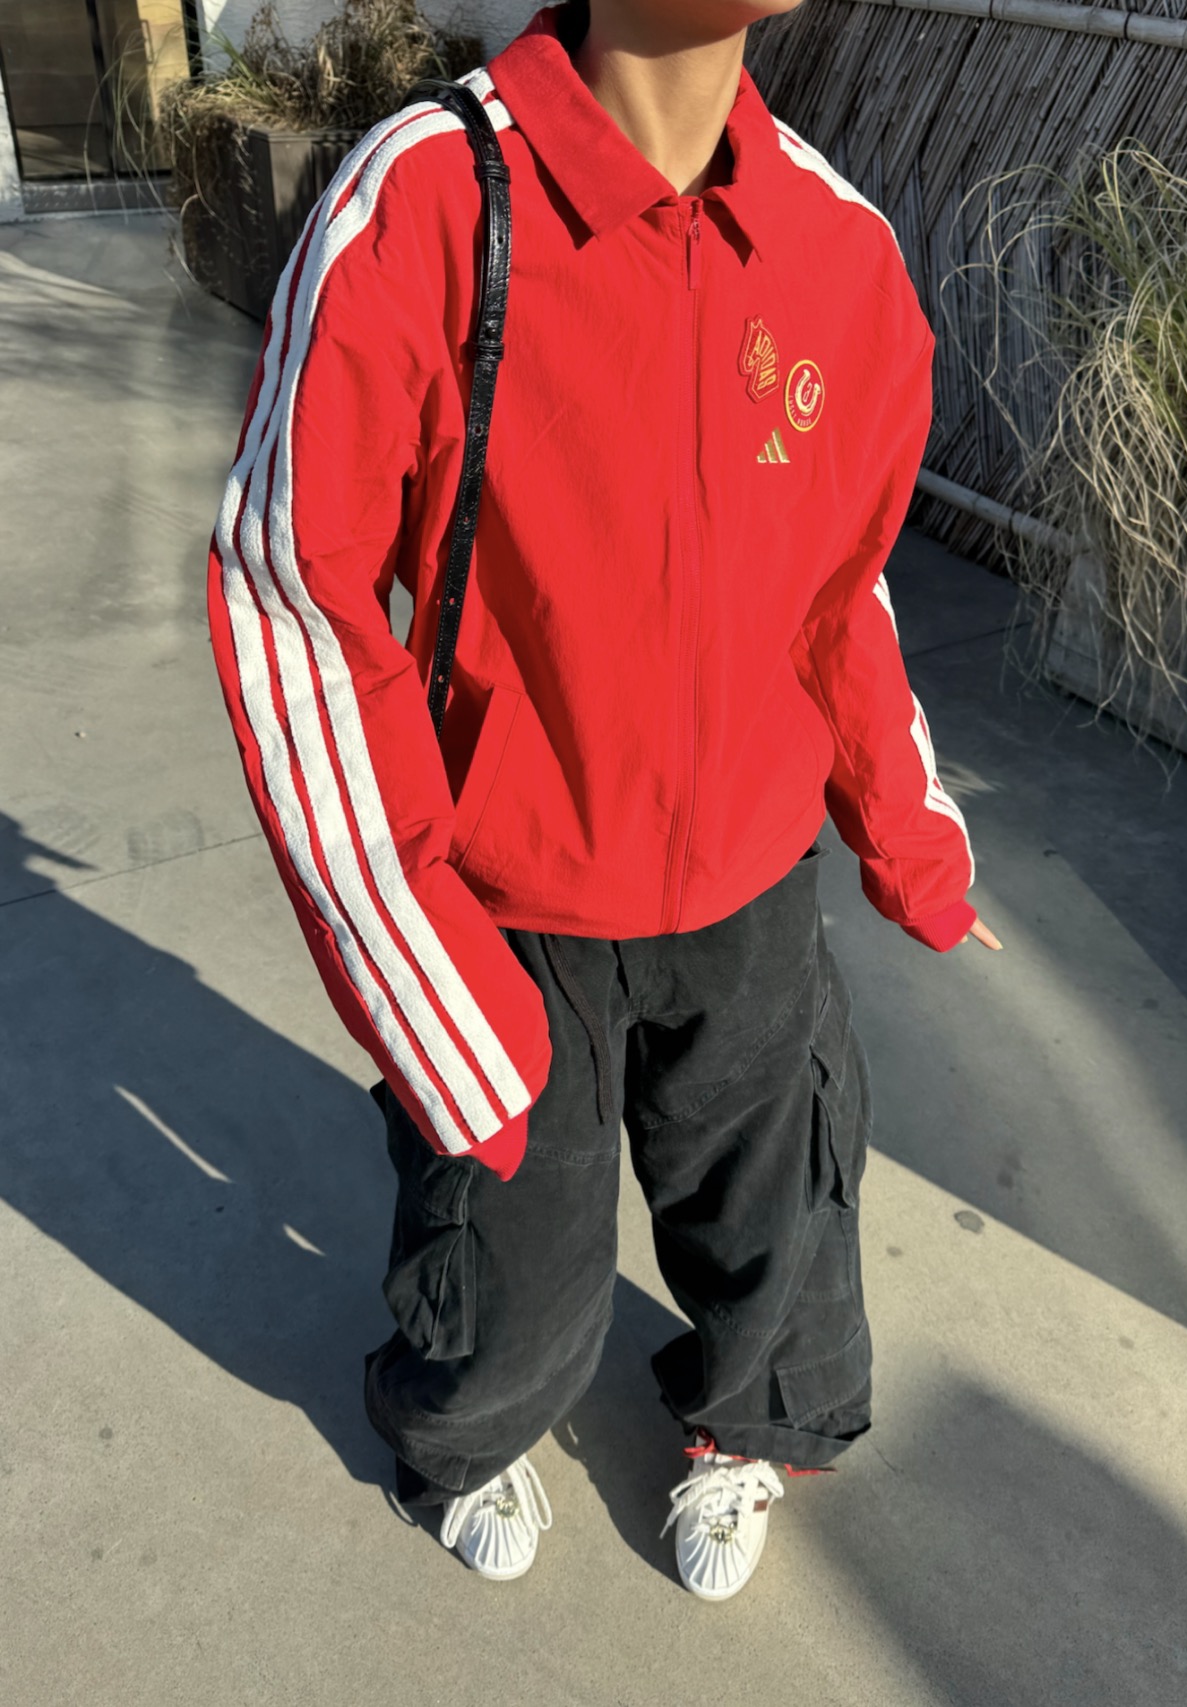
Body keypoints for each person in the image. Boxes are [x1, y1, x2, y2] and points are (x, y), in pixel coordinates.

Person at [206, 0, 1002, 1601]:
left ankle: (745, 1427)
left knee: (775, 1217)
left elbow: (837, 592)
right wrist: (413, 955)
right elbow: (296, 593)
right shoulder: (428, 199)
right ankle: (467, 1434)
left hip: (752, 887)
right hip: (509, 898)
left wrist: (911, 840)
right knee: (507, 1253)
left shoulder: (835, 248)